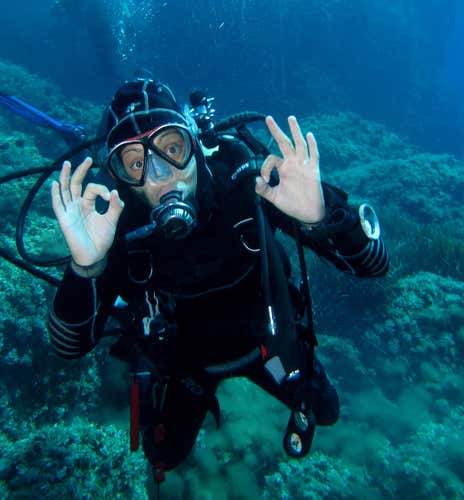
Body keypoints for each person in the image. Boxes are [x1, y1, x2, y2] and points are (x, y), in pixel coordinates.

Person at [47, 79, 389, 477]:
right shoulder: (116, 225)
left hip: (270, 346)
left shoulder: (243, 181)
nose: (161, 175)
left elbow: (374, 266)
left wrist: (321, 219)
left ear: (194, 142)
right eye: (137, 164)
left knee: (326, 411)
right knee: (162, 456)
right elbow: (68, 346)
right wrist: (86, 267)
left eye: (172, 149)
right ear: (120, 175)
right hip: (187, 368)